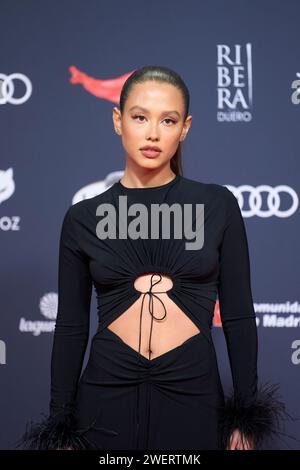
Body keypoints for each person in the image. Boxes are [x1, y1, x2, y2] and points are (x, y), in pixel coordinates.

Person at [18, 65, 290, 451]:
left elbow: (239, 316)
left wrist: (244, 417)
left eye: (168, 120)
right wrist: (61, 422)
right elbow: (71, 328)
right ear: (118, 120)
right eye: (139, 117)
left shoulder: (217, 206)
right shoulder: (83, 218)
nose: (152, 132)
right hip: (104, 394)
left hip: (194, 393)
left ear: (186, 128)